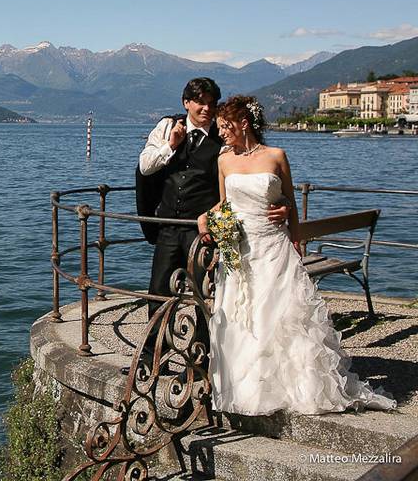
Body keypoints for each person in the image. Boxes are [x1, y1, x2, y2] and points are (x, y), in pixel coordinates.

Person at [197, 96, 396, 415]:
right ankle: (246, 389)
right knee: (242, 316)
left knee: (280, 316)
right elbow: (226, 205)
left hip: (274, 246)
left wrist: (291, 223)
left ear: (243, 123)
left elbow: (289, 200)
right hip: (240, 250)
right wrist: (204, 216)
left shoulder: (276, 156)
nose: (221, 132)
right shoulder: (223, 160)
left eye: (225, 126)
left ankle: (295, 387)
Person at [136, 79, 288, 357]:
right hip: (169, 225)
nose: (206, 108)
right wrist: (171, 146)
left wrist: (282, 204)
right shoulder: (168, 127)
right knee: (158, 290)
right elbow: (145, 167)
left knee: (205, 294)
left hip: (206, 229)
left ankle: (203, 356)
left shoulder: (225, 135)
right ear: (186, 103)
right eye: (200, 102)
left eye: (211, 103)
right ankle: (152, 355)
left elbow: (255, 172)